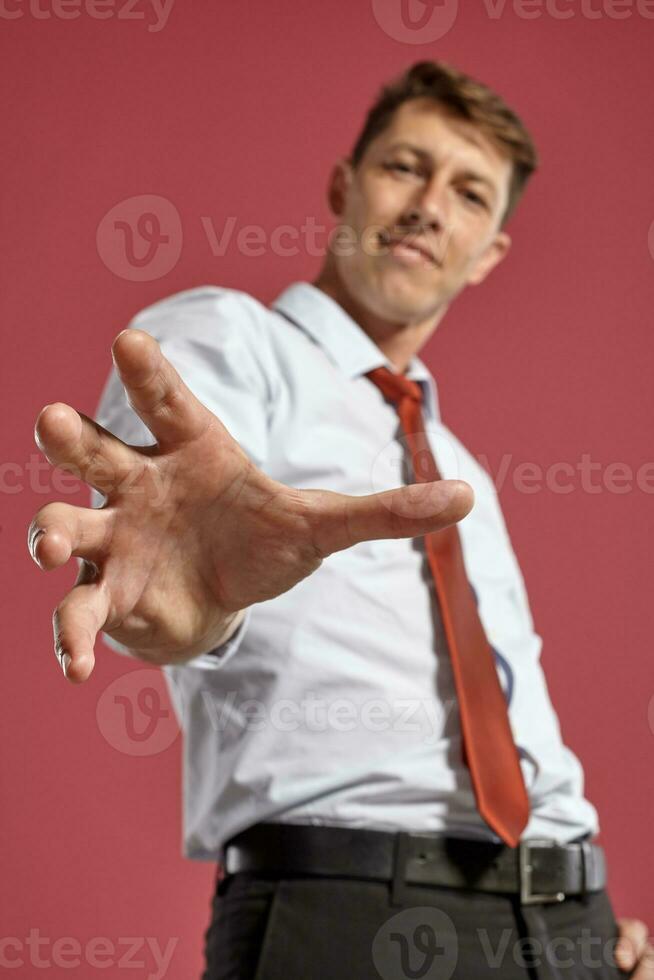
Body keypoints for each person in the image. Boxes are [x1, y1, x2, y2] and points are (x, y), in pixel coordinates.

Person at [29, 61, 652, 979]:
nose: (431, 205)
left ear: (488, 253)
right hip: (343, 914)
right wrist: (184, 605)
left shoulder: (463, 472)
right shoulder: (229, 338)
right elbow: (174, 534)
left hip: (569, 928)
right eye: (405, 166)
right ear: (342, 184)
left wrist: (588, 917)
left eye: (470, 192)